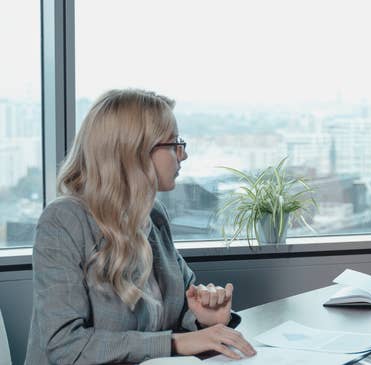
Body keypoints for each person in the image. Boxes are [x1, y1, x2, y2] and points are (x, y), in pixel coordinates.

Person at [25, 89, 256, 364]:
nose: (182, 155)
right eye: (173, 144)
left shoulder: (154, 215)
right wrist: (175, 342)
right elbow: (65, 345)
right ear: (134, 153)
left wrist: (205, 320)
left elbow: (180, 308)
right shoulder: (64, 220)